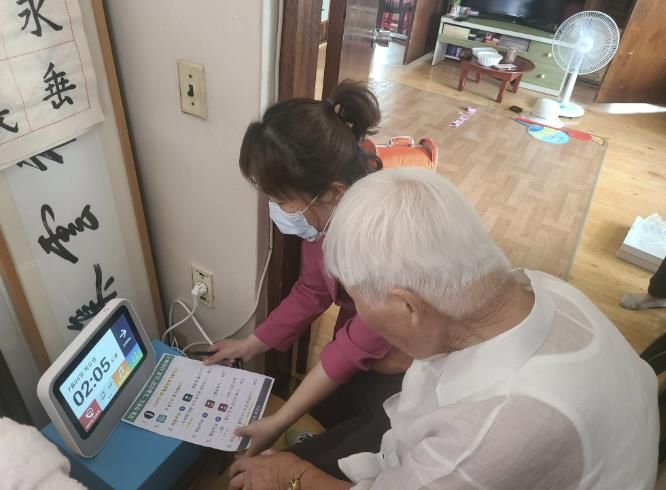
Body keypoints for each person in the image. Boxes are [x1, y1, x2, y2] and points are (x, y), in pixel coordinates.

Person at [229, 167, 659, 490]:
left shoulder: (491, 432)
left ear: (408, 307)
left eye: (359, 302)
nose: (358, 313)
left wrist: (293, 476)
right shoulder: (539, 287)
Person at [204, 81, 411, 473]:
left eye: (282, 200)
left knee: (335, 460)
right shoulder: (326, 219)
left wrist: (279, 422)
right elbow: (312, 290)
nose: (276, 209)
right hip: (367, 359)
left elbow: (354, 345)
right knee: (325, 416)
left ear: (332, 192)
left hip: (409, 373)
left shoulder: (382, 245)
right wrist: (251, 343)